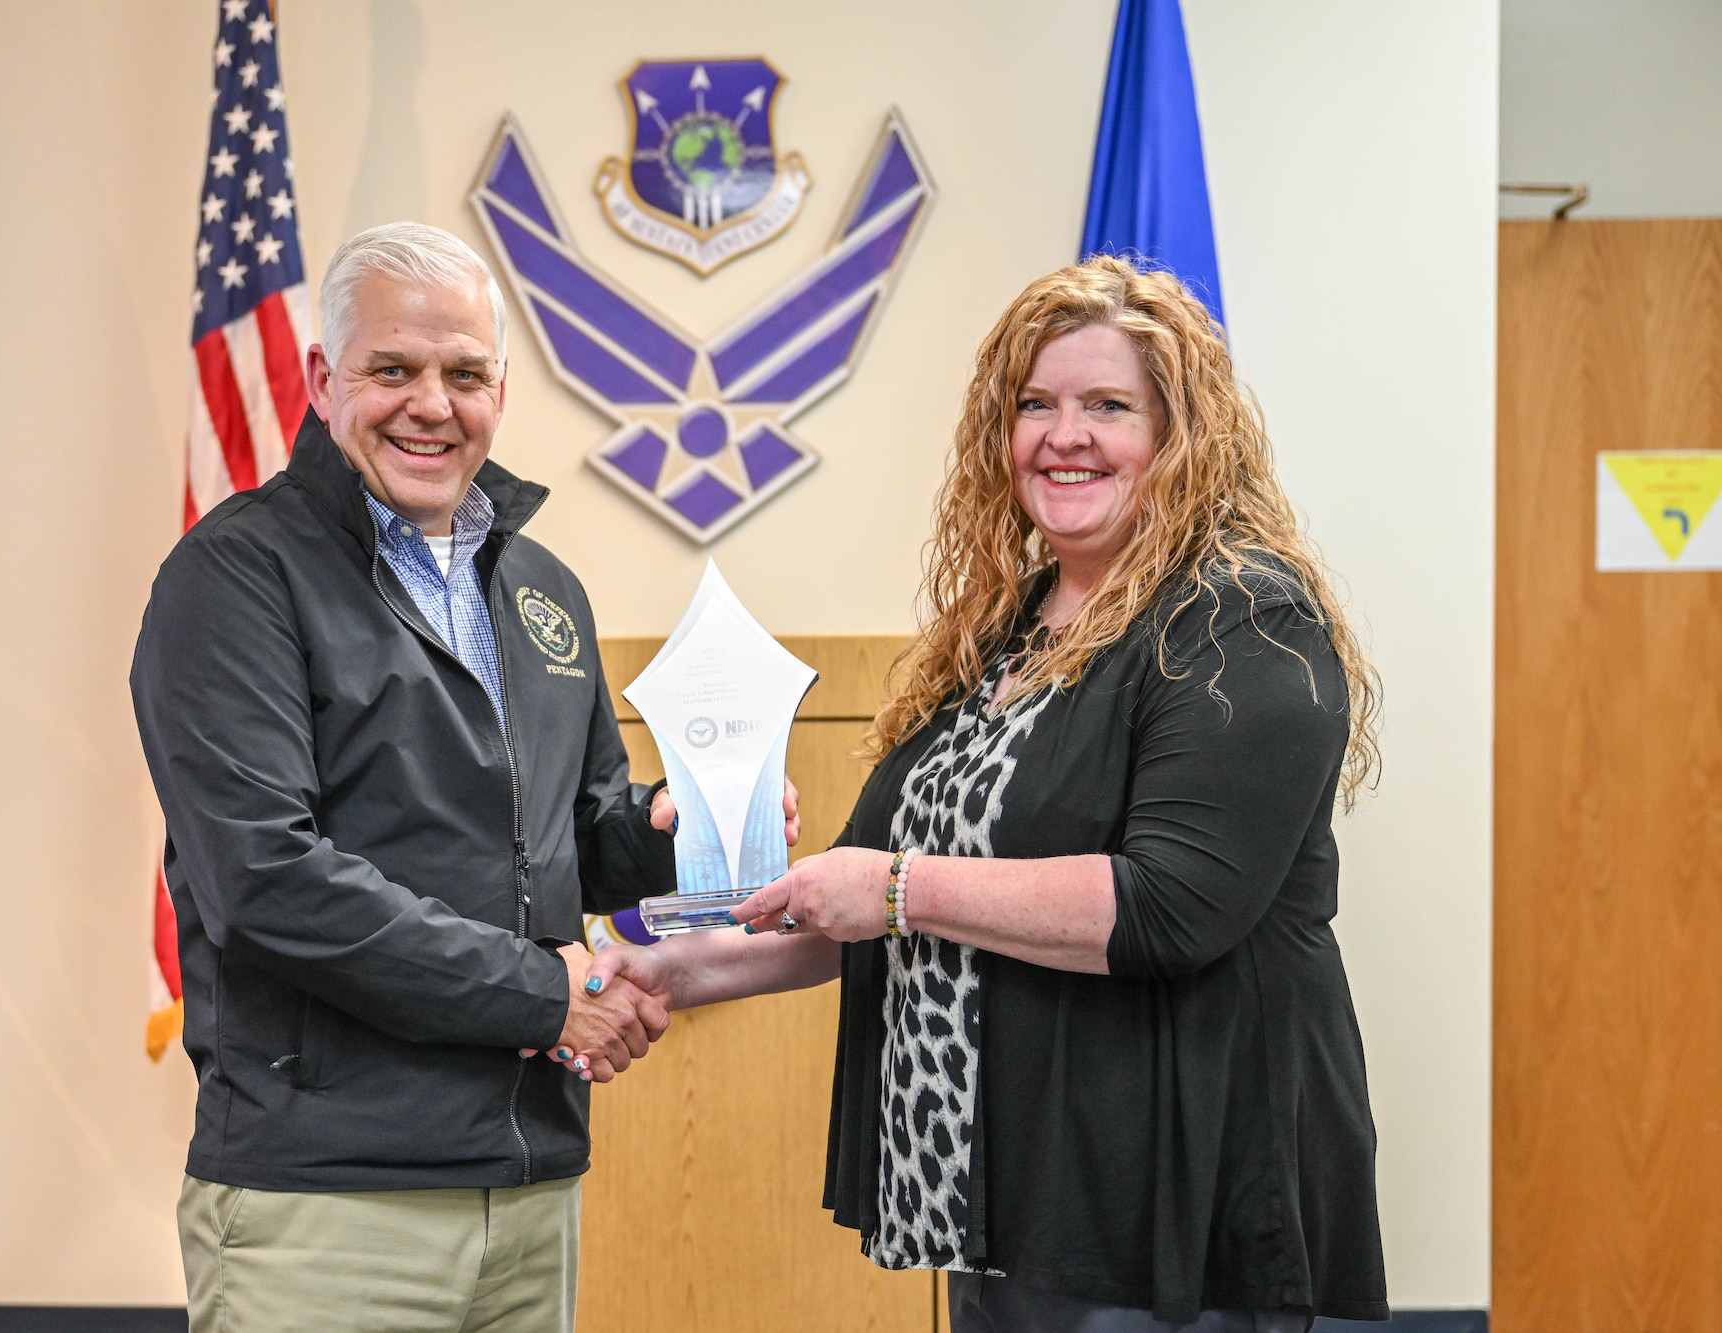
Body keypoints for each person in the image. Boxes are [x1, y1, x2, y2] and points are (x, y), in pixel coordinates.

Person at [586, 256, 1392, 1330]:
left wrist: (894, 890)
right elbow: (843, 906)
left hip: (1176, 1207)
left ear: (1180, 434)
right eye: (1033, 405)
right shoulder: (1002, 631)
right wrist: (643, 973)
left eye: (1108, 406)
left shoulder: (1238, 621)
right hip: (1007, 1198)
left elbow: (1168, 906)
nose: (1065, 435)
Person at [130, 222, 709, 1333]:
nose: (429, 404)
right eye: (391, 369)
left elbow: (569, 837)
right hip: (329, 1200)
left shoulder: (544, 590)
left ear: (499, 390)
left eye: (463, 374)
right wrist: (551, 996)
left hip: (529, 1189)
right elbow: (269, 882)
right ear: (319, 381)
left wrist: (674, 827)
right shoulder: (232, 579)